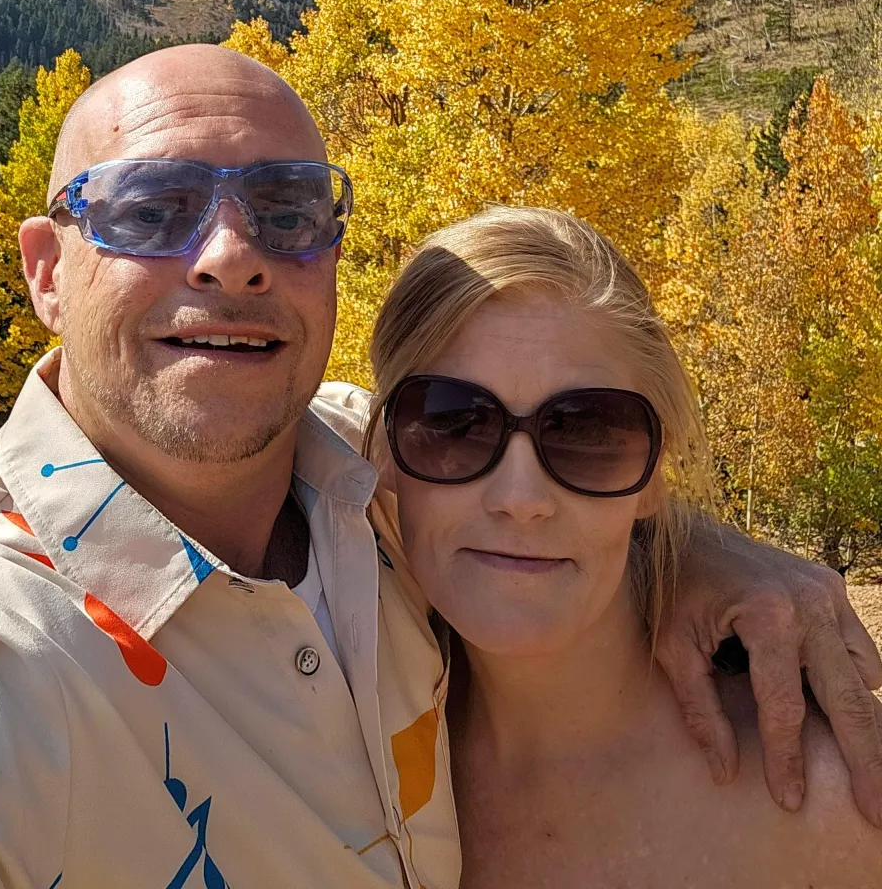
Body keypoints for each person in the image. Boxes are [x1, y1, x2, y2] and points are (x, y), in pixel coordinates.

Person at [0, 46, 879, 887]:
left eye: (285, 209)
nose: (230, 256)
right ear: (46, 270)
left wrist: (688, 542)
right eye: (152, 208)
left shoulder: (383, 468)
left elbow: (528, 446)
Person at [369, 204, 882, 887]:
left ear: (653, 476)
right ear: (382, 449)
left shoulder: (828, 804)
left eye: (587, 431)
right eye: (452, 422)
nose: (521, 498)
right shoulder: (339, 736)